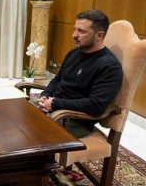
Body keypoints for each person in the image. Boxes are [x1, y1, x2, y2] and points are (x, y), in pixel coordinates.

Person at [37, 10, 123, 138]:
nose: (74, 35)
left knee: (28, 134)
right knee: (16, 117)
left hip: (74, 120)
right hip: (54, 109)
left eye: (81, 31)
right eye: (75, 29)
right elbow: (58, 79)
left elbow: (96, 105)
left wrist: (55, 104)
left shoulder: (109, 66)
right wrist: (45, 95)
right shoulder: (74, 53)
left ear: (99, 35)